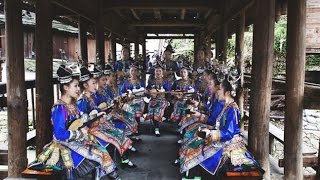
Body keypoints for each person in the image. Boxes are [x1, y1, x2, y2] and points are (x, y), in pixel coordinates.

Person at [28, 65, 120, 180]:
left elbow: (81, 118)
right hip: (63, 144)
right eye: (75, 86)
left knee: (101, 151)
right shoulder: (60, 108)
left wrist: (96, 116)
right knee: (97, 154)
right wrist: (78, 133)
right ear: (66, 87)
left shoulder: (73, 104)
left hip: (75, 141)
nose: (78, 89)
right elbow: (59, 134)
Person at [180, 74, 261, 179]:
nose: (217, 91)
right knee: (197, 144)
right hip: (220, 137)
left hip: (228, 141)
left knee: (204, 153)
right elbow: (217, 123)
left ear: (227, 93)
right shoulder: (226, 106)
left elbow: (229, 132)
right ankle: (194, 175)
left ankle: (197, 176)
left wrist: (211, 133)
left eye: (219, 89)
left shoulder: (233, 109)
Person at [77, 65, 137, 169]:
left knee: (119, 133)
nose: (96, 85)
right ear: (86, 86)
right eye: (94, 83)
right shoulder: (82, 101)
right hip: (92, 130)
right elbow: (83, 120)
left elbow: (100, 109)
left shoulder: (92, 96)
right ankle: (113, 165)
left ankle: (122, 160)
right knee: (115, 136)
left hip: (101, 124)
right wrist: (97, 115)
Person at [145, 62, 171, 136]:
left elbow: (169, 91)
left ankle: (157, 128)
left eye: (160, 71)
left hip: (162, 100)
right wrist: (149, 93)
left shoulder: (166, 81)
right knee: (151, 108)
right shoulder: (151, 81)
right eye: (156, 71)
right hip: (153, 100)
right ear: (154, 73)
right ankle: (155, 125)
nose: (158, 72)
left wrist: (163, 92)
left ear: (162, 73)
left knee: (158, 109)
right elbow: (147, 90)